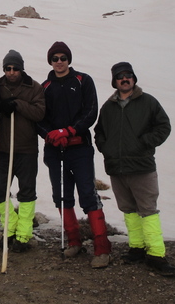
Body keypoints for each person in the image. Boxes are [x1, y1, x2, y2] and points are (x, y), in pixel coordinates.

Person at [94, 62, 175, 277]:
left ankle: (157, 255)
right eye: (120, 76)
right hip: (117, 167)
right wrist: (106, 149)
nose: (125, 79)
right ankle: (137, 248)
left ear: (134, 78)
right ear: (115, 81)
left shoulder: (148, 102)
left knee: (148, 210)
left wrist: (145, 142)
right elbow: (99, 132)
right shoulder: (108, 107)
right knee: (128, 209)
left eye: (128, 75)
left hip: (141, 167)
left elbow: (164, 126)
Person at [38, 41, 112, 268]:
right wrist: (50, 135)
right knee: (61, 196)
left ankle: (102, 248)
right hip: (55, 150)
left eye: (63, 58)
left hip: (79, 148)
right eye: (55, 58)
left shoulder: (83, 80)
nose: (59, 62)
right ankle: (74, 241)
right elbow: (39, 118)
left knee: (88, 194)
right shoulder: (45, 86)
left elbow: (91, 111)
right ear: (50, 61)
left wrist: (69, 131)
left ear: (69, 59)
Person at [0, 50, 46, 252]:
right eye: (8, 68)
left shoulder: (34, 87)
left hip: (27, 149)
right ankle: (10, 227)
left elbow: (40, 113)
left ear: (21, 68)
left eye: (15, 68)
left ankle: (23, 235)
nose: (11, 72)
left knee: (27, 192)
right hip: (4, 149)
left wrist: (18, 104)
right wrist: (0, 106)